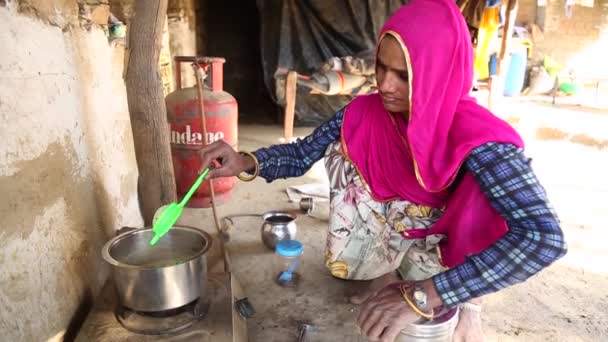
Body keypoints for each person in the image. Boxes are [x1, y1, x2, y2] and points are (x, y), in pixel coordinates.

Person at [198, 0, 567, 341]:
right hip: (404, 221)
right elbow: (303, 152)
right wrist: (246, 161)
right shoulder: (365, 114)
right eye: (381, 67)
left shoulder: (482, 141)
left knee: (484, 213)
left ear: (439, 72)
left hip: (449, 236)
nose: (385, 85)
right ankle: (385, 273)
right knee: (345, 156)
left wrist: (427, 294)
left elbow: (543, 238)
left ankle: (469, 304)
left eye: (404, 75)